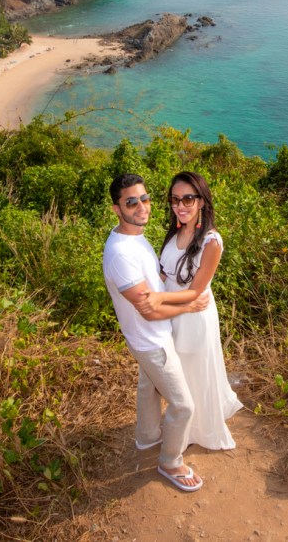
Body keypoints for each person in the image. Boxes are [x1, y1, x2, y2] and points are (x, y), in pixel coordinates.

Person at [102, 173, 209, 492]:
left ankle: (147, 436)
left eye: (144, 198)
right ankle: (170, 462)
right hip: (151, 340)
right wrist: (187, 307)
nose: (141, 206)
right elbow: (148, 308)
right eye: (131, 202)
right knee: (183, 405)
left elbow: (152, 288)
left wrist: (161, 279)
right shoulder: (121, 252)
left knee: (148, 386)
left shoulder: (135, 237)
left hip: (144, 337)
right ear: (116, 208)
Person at [135, 171, 243, 450]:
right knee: (176, 373)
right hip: (171, 313)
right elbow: (165, 272)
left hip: (193, 315)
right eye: (174, 199)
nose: (180, 206)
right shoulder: (176, 230)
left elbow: (196, 290)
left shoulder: (211, 242)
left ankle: (194, 431)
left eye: (187, 199)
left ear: (202, 202)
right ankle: (178, 424)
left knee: (191, 372)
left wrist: (157, 301)